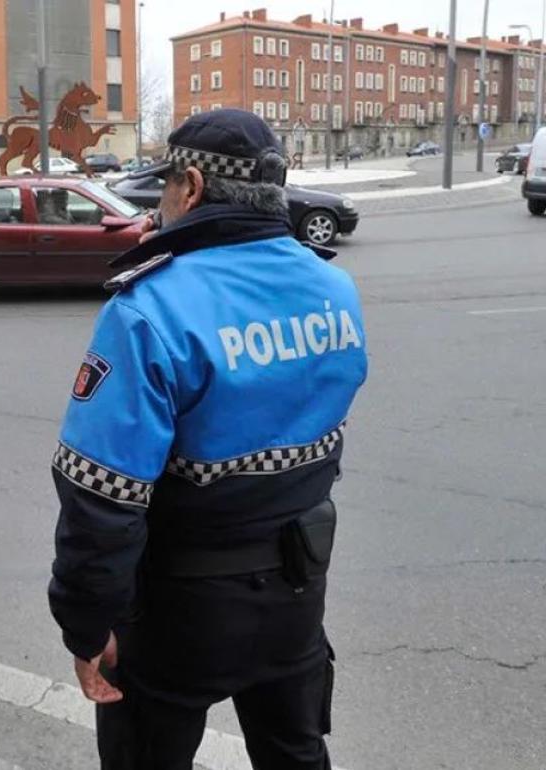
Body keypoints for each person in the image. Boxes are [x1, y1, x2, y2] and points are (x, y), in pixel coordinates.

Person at [48, 109, 368, 769]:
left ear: (191, 187)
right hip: (299, 591)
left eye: (167, 183)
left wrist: (86, 624)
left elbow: (100, 497)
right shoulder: (335, 290)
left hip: (178, 610)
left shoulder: (150, 308)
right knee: (295, 754)